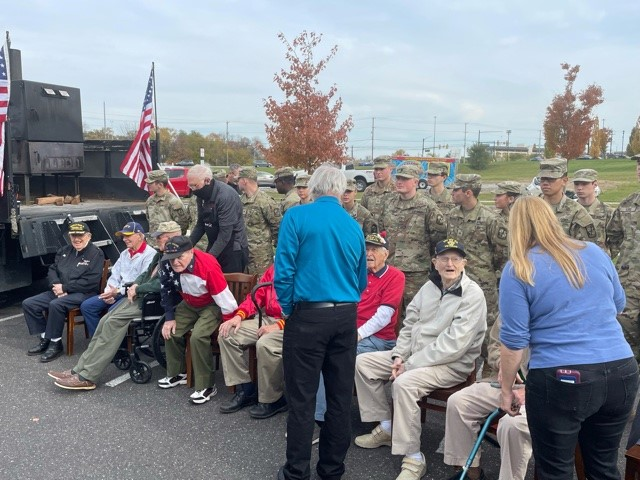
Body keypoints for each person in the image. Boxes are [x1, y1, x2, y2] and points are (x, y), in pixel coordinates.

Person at [499, 196, 639, 480]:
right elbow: (618, 304)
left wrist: (505, 390)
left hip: (561, 376)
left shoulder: (519, 268)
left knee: (555, 470)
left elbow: (514, 342)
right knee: (603, 466)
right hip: (621, 369)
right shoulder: (593, 252)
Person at [354, 239, 487, 480]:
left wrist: (409, 365)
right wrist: (399, 355)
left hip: (451, 364)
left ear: (464, 263)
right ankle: (387, 426)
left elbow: (454, 345)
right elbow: (409, 324)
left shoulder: (472, 294)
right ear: (434, 262)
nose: (449, 264)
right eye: (444, 258)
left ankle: (414, 458)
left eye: (456, 258)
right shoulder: (429, 287)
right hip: (414, 356)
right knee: (363, 364)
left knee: (403, 383)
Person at [274, 164, 367, 480]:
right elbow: (360, 279)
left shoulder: (297, 217)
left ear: (313, 188)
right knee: (339, 398)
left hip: (308, 314)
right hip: (345, 314)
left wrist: (289, 309)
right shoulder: (353, 225)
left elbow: (284, 270)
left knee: (302, 398)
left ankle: (297, 471)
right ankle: (331, 469)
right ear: (341, 191)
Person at [48, 221, 183, 390]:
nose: (156, 240)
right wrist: (136, 284)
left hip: (153, 302)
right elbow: (146, 274)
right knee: (104, 321)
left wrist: (137, 288)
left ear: (172, 237)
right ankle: (79, 368)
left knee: (111, 323)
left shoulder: (176, 257)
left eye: (160, 237)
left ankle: (88, 376)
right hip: (139, 296)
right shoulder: (160, 255)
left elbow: (161, 284)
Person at [314, 231, 405, 427]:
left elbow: (384, 316)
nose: (369, 254)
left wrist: (357, 334)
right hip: (350, 332)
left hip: (378, 338)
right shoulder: (357, 273)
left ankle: (325, 418)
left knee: (331, 356)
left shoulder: (395, 276)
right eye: (366, 250)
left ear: (386, 254)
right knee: (314, 349)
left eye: (375, 250)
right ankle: (320, 414)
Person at [443, 317, 531, 480]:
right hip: (509, 383)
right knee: (458, 402)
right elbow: (495, 345)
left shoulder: (564, 310)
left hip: (545, 391)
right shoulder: (513, 306)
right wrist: (503, 364)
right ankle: (472, 474)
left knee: (512, 424)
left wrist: (531, 389)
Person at [158, 236, 238, 404]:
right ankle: (178, 373)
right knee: (170, 332)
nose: (175, 262)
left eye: (180, 257)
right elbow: (166, 289)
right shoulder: (166, 263)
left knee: (198, 337)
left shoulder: (208, 265)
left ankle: (206, 385)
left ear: (191, 252)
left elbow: (223, 297)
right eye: (171, 258)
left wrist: (228, 322)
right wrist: (169, 318)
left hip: (211, 303)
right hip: (188, 302)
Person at [23, 222, 105, 362]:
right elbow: (52, 270)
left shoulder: (96, 253)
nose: (76, 239)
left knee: (56, 304)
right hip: (60, 291)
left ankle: (56, 344)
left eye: (80, 235)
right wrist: (56, 285)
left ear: (89, 236)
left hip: (84, 293)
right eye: (73, 235)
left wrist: (66, 288)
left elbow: (91, 281)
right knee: (29, 304)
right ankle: (45, 338)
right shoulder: (65, 250)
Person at [448, 174, 508, 357]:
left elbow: (502, 253)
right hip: (456, 280)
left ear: (468, 193)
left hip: (483, 282)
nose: (452, 193)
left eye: (456, 190)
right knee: (455, 321)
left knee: (487, 324)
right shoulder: (452, 215)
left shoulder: (490, 218)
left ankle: (489, 364)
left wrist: (489, 272)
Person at [218, 264, 288, 419]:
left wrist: (279, 325)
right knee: (227, 334)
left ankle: (273, 399)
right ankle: (246, 389)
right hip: (267, 318)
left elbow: (305, 308)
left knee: (265, 344)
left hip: (291, 323)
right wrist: (239, 316)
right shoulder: (275, 268)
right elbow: (257, 295)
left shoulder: (306, 267)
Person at [379, 163, 446, 307]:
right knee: (390, 309)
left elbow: (438, 238)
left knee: (414, 310)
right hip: (390, 268)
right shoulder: (389, 203)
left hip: (416, 272)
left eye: (404, 179)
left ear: (415, 182)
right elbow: (382, 231)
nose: (399, 182)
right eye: (398, 178)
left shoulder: (427, 206)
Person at [79, 221, 156, 337]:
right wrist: (108, 292)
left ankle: (118, 344)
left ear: (140, 236)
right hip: (116, 292)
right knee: (87, 306)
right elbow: (114, 275)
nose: (124, 239)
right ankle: (98, 340)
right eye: (123, 236)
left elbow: (142, 280)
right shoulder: (124, 253)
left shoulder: (150, 254)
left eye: (128, 236)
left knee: (113, 311)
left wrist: (118, 291)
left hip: (133, 295)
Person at [187, 164, 249, 273]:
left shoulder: (225, 196)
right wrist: (187, 245)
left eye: (195, 186)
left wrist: (209, 258)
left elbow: (225, 234)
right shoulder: (201, 195)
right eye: (190, 186)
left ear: (207, 181)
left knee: (228, 281)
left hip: (232, 247)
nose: (193, 190)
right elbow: (201, 224)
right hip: (214, 241)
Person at [608, 157, 640, 355]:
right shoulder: (628, 204)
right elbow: (611, 240)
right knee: (625, 339)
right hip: (629, 286)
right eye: (638, 165)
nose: (639, 169)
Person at [537, 158, 600, 246]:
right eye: (542, 179)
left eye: (551, 179)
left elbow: (587, 247)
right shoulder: (530, 207)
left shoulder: (576, 212)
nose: (545, 183)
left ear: (564, 181)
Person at [237, 166, 281, 275]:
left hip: (261, 258)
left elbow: (278, 226)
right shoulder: (240, 200)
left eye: (239, 179)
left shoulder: (265, 201)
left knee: (261, 284)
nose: (237, 182)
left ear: (245, 181)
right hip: (242, 253)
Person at [572, 168, 613, 256]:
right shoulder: (569, 210)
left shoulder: (607, 211)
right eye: (576, 184)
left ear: (595, 184)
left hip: (597, 259)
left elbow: (616, 239)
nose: (579, 188)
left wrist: (605, 255)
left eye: (584, 184)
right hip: (572, 259)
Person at [144, 170, 190, 246]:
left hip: (168, 244)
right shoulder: (150, 200)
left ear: (160, 184)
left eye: (151, 183)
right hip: (152, 243)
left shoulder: (173, 202)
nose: (148, 185)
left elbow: (182, 225)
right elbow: (149, 219)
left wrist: (173, 241)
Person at [361, 156, 395, 223]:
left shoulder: (397, 190)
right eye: (376, 169)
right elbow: (362, 214)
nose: (378, 172)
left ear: (390, 169)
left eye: (382, 169)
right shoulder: (368, 191)